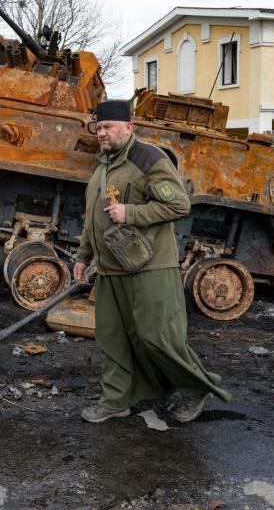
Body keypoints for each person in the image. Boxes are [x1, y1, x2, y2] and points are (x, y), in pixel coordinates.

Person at [74, 99, 231, 424]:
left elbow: (178, 206)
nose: (102, 133)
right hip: (111, 268)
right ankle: (115, 400)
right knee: (111, 337)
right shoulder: (102, 167)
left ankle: (194, 390)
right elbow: (93, 219)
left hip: (149, 266)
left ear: (128, 128)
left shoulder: (147, 158)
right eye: (99, 127)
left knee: (157, 335)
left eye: (108, 127)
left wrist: (130, 213)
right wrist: (82, 256)